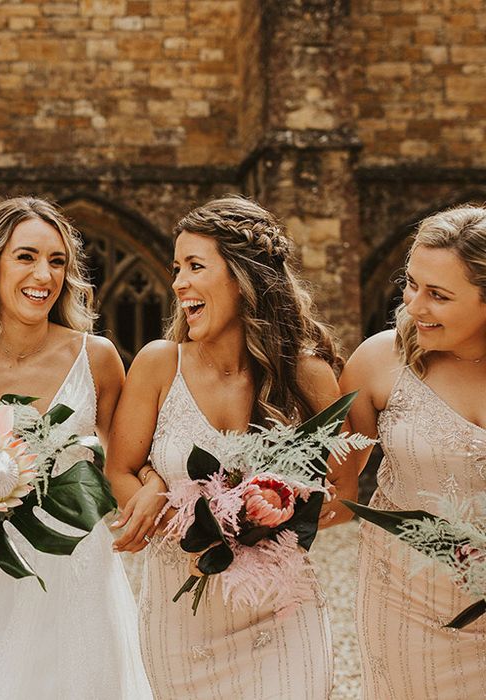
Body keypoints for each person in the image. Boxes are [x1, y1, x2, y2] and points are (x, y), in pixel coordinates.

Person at [106, 195, 339, 698]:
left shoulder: (309, 378)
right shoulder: (158, 364)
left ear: (244, 277)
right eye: (175, 268)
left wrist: (268, 519)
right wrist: (153, 492)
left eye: (194, 266)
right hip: (179, 617)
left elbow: (335, 496)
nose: (177, 282)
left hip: (282, 614)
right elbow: (119, 469)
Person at [0, 196, 151, 699]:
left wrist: (152, 490)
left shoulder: (98, 358)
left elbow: (125, 465)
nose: (43, 274)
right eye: (26, 256)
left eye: (57, 260)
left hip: (79, 572)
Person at [331, 204, 486, 699]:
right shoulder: (379, 361)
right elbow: (332, 489)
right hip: (405, 603)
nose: (414, 306)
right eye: (411, 283)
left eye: (437, 295)